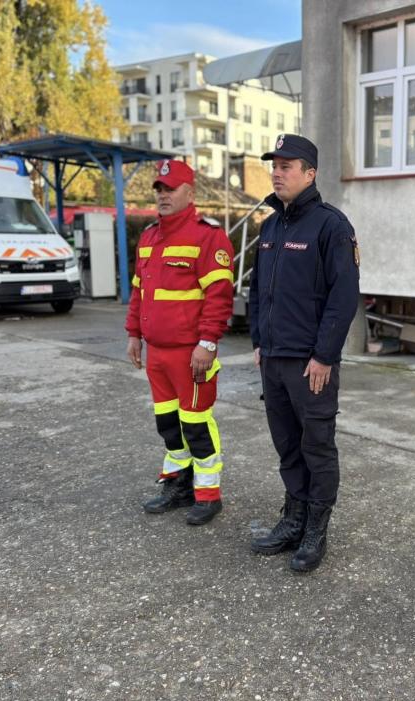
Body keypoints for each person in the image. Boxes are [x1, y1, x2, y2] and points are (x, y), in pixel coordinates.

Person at [248, 133, 360, 572]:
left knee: (317, 446)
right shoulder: (270, 227)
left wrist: (325, 356)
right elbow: (257, 290)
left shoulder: (332, 226)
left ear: (310, 174)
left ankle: (316, 528)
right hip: (274, 359)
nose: (277, 173)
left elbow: (343, 297)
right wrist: (259, 342)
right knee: (287, 445)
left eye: (286, 166)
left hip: (311, 362)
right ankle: (293, 518)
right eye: (274, 166)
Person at [125, 159, 234, 526]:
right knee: (169, 425)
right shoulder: (149, 237)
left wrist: (208, 343)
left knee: (196, 425)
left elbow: (219, 297)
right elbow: (139, 292)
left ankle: (208, 495)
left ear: (190, 193)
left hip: (191, 355)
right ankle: (178, 486)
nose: (163, 195)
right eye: (159, 189)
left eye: (170, 189)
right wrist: (133, 334)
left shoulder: (208, 236)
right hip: (157, 354)